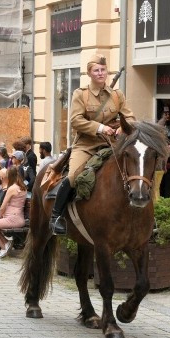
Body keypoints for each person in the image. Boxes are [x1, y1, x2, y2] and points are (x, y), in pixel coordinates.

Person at [50, 54, 136, 234]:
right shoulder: (80, 94)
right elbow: (75, 120)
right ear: (89, 73)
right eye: (96, 70)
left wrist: (122, 126)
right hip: (87, 144)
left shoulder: (117, 95)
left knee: (133, 172)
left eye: (103, 70)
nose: (100, 73)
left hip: (112, 143)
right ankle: (56, 216)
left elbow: (129, 116)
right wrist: (100, 127)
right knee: (73, 176)